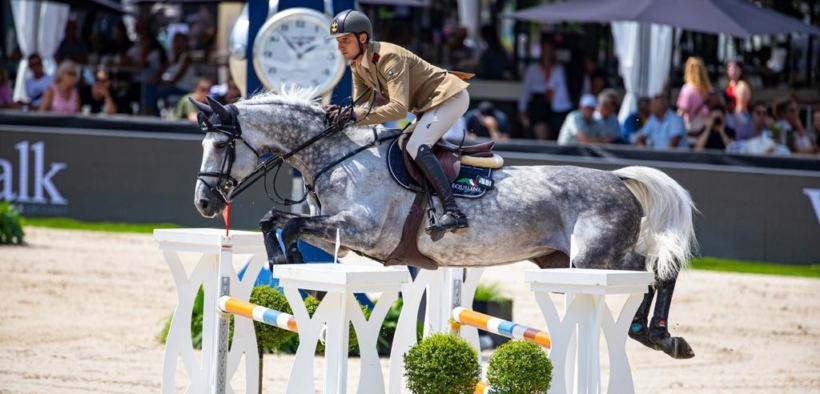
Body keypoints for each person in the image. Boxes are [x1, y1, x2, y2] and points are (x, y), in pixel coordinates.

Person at [329, 9, 470, 235]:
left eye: (345, 40)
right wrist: (342, 112)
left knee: (416, 146)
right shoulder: (357, 65)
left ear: (362, 38)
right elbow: (361, 106)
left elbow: (397, 109)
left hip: (449, 97)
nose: (340, 47)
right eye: (338, 41)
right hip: (428, 106)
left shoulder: (387, 57)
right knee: (401, 145)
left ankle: (454, 212)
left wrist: (354, 115)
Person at [518, 41, 573, 140]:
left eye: (549, 51)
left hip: (555, 104)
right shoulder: (533, 68)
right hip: (539, 102)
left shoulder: (558, 69)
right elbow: (526, 89)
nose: (547, 53)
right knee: (541, 131)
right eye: (545, 50)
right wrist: (522, 108)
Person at [155, 32, 197, 114]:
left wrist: (169, 83)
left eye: (177, 41)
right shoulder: (173, 56)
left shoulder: (186, 57)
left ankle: (157, 119)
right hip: (174, 86)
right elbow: (163, 69)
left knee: (158, 95)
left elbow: (179, 75)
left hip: (184, 88)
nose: (175, 43)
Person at [677, 57, 712, 143]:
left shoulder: (687, 89)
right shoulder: (708, 90)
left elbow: (682, 111)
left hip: (691, 132)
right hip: (705, 130)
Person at [724, 60, 754, 141]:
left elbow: (740, 109)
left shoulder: (742, 85)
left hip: (741, 119)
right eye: (730, 67)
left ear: (741, 70)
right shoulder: (730, 84)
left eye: (735, 67)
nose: (732, 70)